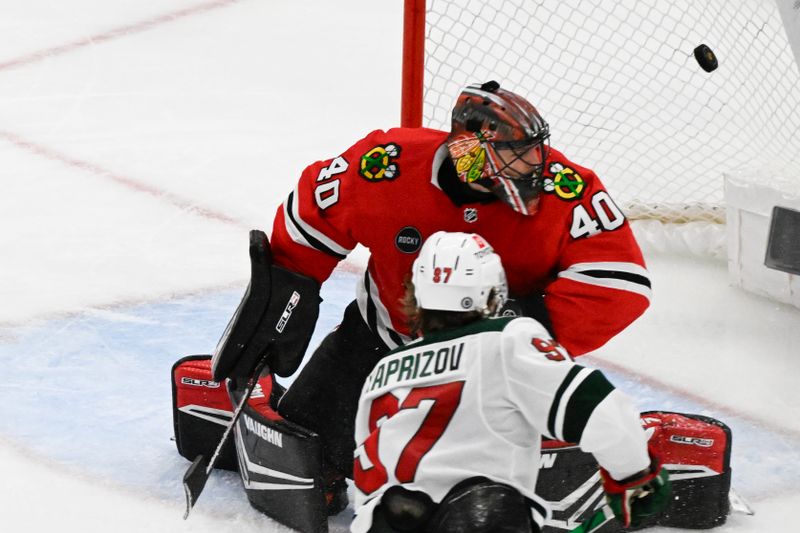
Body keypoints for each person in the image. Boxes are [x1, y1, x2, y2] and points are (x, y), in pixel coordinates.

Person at [216, 80, 652, 512]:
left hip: (501, 365)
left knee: (496, 484)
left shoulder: (567, 190)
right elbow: (308, 221)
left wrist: (516, 332)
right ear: (470, 154)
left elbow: (621, 285)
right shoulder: (384, 166)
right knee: (308, 446)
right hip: (381, 342)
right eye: (515, 154)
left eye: (535, 149)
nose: (536, 163)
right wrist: (282, 301)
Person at [350, 231, 669, 533]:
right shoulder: (506, 339)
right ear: (489, 293)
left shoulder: (382, 370)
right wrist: (635, 475)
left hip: (378, 519)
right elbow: (598, 410)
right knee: (493, 502)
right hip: (475, 516)